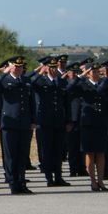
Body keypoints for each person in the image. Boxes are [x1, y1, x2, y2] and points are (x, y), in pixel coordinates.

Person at [0, 56, 36, 194]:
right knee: (10, 155)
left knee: (22, 155)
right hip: (9, 123)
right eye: (16, 66)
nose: (18, 69)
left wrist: (33, 120)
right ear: (10, 66)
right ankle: (13, 183)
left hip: (24, 123)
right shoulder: (4, 80)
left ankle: (22, 182)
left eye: (20, 67)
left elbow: (31, 102)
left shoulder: (26, 81)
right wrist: (3, 74)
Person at [67, 63, 108, 191]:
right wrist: (80, 76)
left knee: (101, 153)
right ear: (88, 72)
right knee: (90, 153)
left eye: (98, 70)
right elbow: (69, 88)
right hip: (88, 123)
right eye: (93, 70)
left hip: (101, 122)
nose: (96, 72)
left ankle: (101, 181)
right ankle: (93, 181)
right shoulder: (83, 84)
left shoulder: (106, 83)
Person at [31, 57, 71, 187]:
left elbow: (67, 103)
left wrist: (68, 120)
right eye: (51, 67)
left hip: (59, 120)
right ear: (47, 68)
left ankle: (58, 176)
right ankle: (49, 178)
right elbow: (30, 83)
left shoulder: (62, 82)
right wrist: (40, 73)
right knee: (47, 151)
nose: (54, 70)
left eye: (55, 67)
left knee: (58, 150)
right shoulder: (41, 81)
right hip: (45, 121)